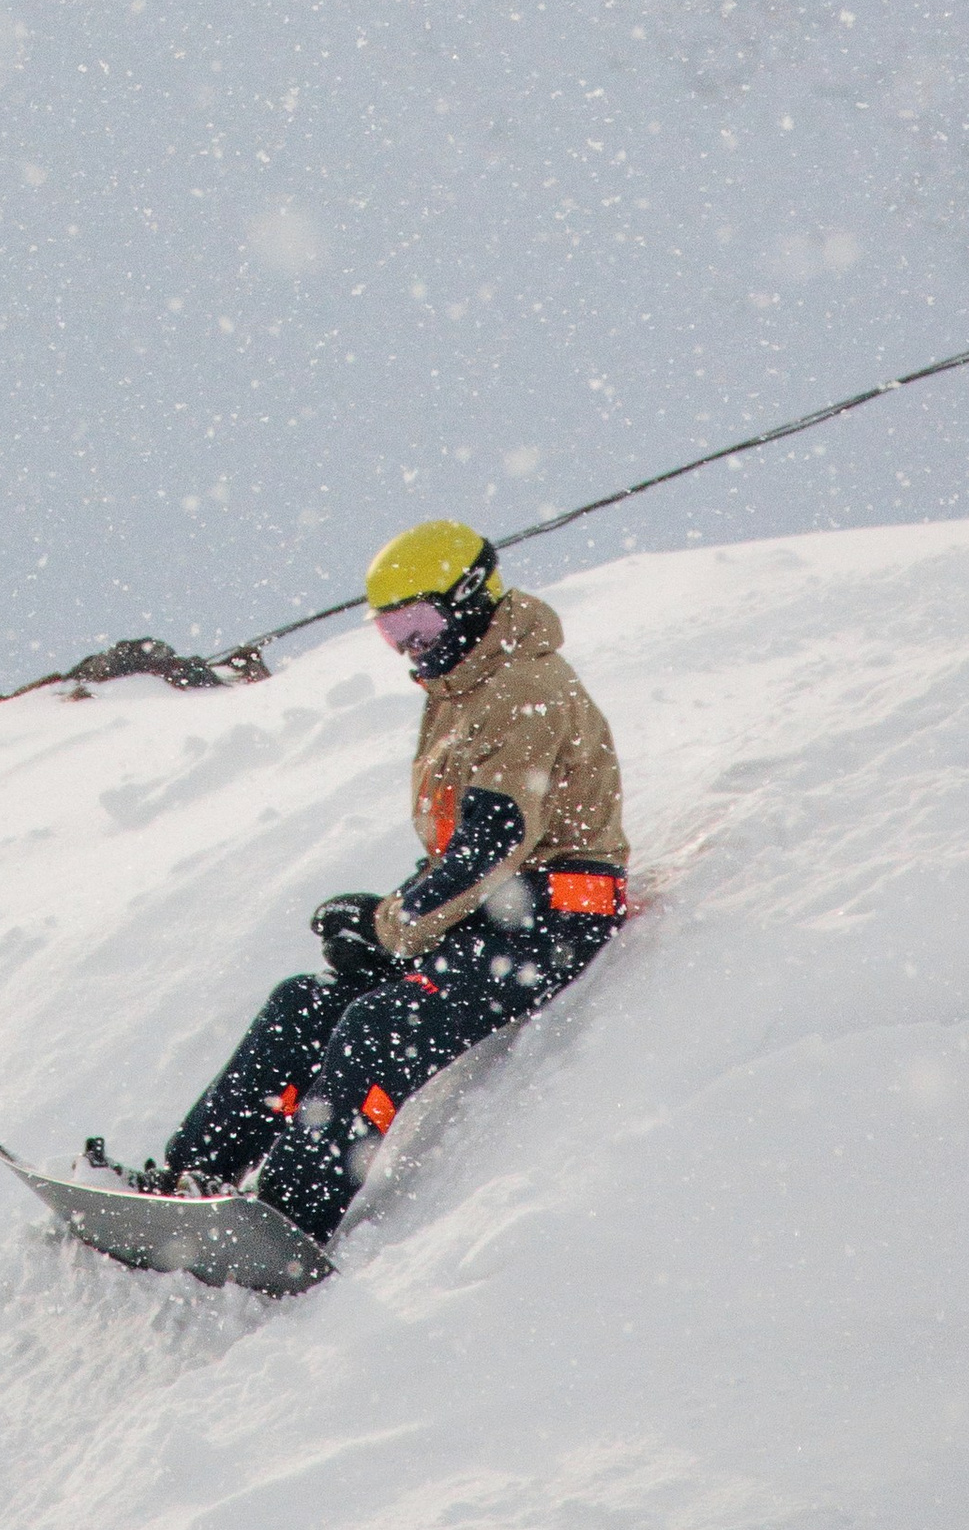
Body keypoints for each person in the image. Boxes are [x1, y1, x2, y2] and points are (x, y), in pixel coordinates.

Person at [97, 520, 629, 1244]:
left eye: (418, 621)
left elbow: (495, 839)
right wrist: (382, 920)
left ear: (471, 595)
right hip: (495, 912)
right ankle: (193, 1181)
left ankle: (289, 1216)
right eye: (391, 631)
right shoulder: (461, 692)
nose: (409, 645)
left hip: (553, 917)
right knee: (303, 1005)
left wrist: (393, 924)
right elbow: (461, 851)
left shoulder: (521, 685)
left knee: (379, 1027)